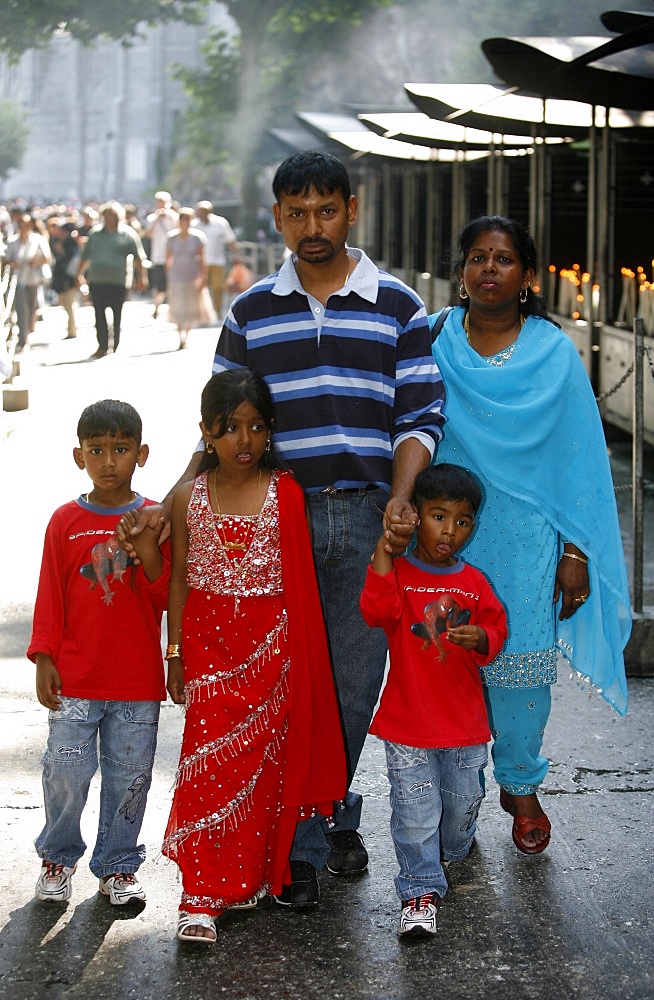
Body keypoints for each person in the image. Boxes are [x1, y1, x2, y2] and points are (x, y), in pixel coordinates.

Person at [123, 150, 445, 907]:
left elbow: (421, 415)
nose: (312, 227)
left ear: (351, 210)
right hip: (282, 516)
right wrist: (164, 509)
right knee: (294, 681)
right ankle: (303, 840)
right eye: (296, 214)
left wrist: (400, 503)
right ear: (276, 219)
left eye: (326, 211)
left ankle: (329, 808)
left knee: (355, 684)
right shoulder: (251, 312)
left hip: (370, 515)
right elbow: (219, 425)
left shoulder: (398, 304)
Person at [429, 215, 631, 854]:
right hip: (446, 540)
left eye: (504, 259)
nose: (490, 269)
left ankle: (520, 785)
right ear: (461, 270)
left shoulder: (551, 351)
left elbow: (577, 460)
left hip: (530, 541)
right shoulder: (435, 341)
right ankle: (451, 802)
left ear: (527, 276)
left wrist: (576, 551)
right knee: (443, 666)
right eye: (478, 257)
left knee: (520, 678)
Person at [158, 368, 347, 944]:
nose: (243, 440)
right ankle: (201, 895)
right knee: (208, 765)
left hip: (272, 652)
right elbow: (179, 581)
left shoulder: (285, 491)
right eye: (229, 428)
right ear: (206, 434)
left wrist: (301, 664)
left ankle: (253, 879)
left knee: (265, 774)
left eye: (256, 427)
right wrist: (175, 655)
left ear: (270, 431)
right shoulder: (190, 496)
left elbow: (300, 589)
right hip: (209, 649)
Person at [27, 399, 169, 906]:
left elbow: (164, 593)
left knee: (129, 780)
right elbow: (51, 595)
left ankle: (118, 865)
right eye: (97, 450)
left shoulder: (154, 519)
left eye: (121, 448)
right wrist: (44, 657)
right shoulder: (64, 521)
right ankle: (56, 858)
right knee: (65, 772)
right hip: (76, 681)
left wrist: (148, 550)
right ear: (78, 456)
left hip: (136, 683)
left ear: (142, 453)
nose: (109, 460)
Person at [360, 463, 507, 937]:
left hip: (464, 723)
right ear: (416, 516)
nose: (449, 530)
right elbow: (375, 610)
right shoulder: (398, 572)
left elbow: (497, 631)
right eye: (438, 516)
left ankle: (455, 848)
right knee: (414, 812)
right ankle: (419, 891)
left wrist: (481, 637)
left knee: (463, 803)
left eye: (462, 521)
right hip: (407, 722)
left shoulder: (475, 582)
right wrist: (385, 550)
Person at [77, 202, 148, 358]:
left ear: (118, 217)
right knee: (99, 314)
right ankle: (102, 345)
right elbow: (85, 256)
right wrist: (79, 274)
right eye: (106, 216)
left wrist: (142, 277)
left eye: (112, 216)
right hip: (97, 280)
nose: (109, 219)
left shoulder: (127, 234)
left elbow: (138, 258)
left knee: (117, 314)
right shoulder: (95, 234)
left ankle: (115, 343)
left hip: (118, 281)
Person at [4, 213, 52, 351]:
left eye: (26, 225)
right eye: (21, 225)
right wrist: (13, 263)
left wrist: (34, 261)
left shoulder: (38, 240)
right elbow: (6, 260)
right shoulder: (13, 241)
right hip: (17, 280)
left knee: (31, 308)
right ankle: (23, 339)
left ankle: (28, 331)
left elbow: (47, 258)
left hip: (33, 280)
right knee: (21, 309)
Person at [165, 207, 207, 349]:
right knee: (177, 305)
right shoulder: (171, 237)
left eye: (187, 220)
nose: (185, 222)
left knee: (191, 306)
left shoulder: (197, 238)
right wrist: (168, 276)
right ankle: (179, 334)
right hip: (176, 275)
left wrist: (203, 277)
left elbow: (202, 259)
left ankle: (186, 335)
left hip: (192, 275)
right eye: (183, 219)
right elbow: (168, 259)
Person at [193, 200, 239, 319]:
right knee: (201, 288)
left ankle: (217, 311)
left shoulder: (220, 223)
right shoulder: (194, 225)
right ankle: (201, 312)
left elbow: (230, 240)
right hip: (199, 262)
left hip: (218, 261)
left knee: (218, 287)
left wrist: (237, 255)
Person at [145, 191, 178, 319]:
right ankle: (157, 306)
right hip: (158, 255)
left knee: (173, 283)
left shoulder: (174, 216)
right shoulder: (152, 218)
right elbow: (148, 234)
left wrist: (169, 218)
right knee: (159, 284)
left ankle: (172, 308)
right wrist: (157, 219)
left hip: (173, 256)